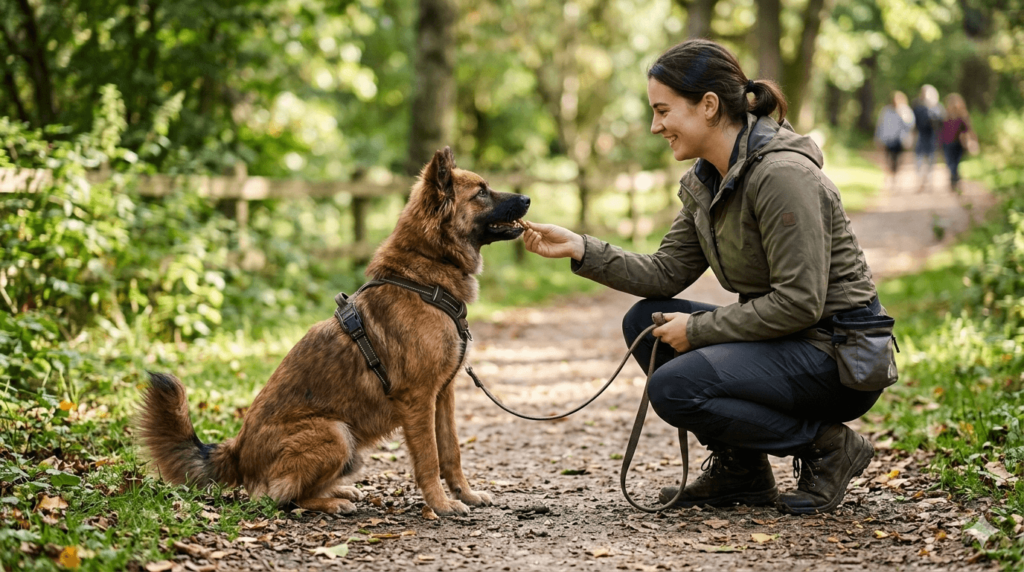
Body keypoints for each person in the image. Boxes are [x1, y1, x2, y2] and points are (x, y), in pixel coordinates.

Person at [520, 38, 891, 515]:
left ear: (709, 106)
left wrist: (697, 330)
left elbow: (800, 303)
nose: (656, 126)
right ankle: (742, 470)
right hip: (789, 339)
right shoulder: (708, 179)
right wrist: (582, 247)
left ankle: (828, 446)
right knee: (645, 324)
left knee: (674, 387)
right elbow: (666, 272)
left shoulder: (782, 175)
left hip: (835, 357)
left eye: (663, 110)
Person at [874, 91, 914, 187]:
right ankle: (892, 176)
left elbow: (910, 125)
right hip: (888, 139)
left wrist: (902, 115)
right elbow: (880, 125)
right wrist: (877, 138)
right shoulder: (886, 110)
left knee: (898, 160)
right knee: (889, 159)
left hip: (900, 140)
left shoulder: (905, 111)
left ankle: (896, 176)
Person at [911, 85, 944, 191]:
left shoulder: (938, 108)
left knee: (931, 160)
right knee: (919, 160)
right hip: (920, 136)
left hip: (932, 137)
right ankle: (920, 181)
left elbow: (942, 123)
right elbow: (913, 122)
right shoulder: (917, 106)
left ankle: (928, 181)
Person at [940, 93, 974, 193]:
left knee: (956, 162)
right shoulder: (944, 116)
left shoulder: (963, 116)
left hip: (958, 144)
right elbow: (941, 131)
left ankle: (955, 179)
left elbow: (969, 130)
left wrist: (972, 141)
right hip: (946, 143)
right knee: (950, 163)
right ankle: (954, 178)